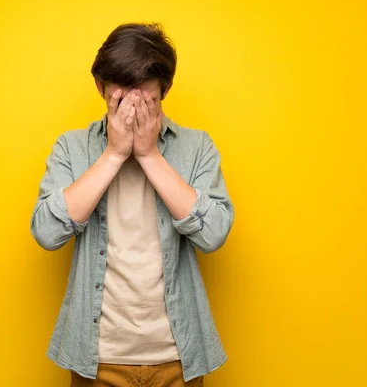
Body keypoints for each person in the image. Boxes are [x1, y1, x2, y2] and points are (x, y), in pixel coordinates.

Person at [30, 22, 234, 386]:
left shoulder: (197, 147)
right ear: (100, 87)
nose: (134, 107)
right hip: (96, 358)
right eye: (121, 95)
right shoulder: (72, 148)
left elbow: (215, 233)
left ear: (165, 89)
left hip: (179, 356)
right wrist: (114, 153)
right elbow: (46, 232)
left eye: (146, 96)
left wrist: (150, 155)